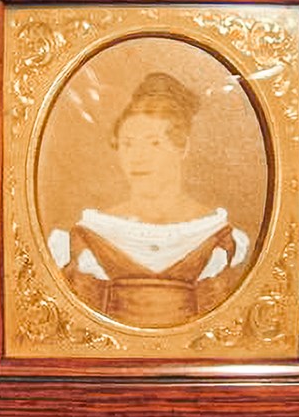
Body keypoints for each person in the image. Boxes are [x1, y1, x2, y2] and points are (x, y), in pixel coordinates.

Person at [48, 72, 249, 328]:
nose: (138, 157)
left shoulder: (221, 238)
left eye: (154, 143)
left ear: (182, 147)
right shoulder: (87, 237)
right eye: (128, 144)